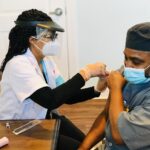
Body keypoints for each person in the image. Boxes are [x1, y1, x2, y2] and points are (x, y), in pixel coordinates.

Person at [0, 9, 108, 150]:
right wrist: (85, 73)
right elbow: (50, 100)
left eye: (54, 36)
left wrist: (96, 89)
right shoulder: (18, 65)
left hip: (43, 120)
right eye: (49, 36)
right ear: (33, 40)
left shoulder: (46, 62)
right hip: (19, 127)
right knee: (80, 148)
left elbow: (66, 96)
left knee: (89, 144)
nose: (54, 41)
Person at [78, 22, 150, 150]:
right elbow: (107, 116)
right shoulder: (126, 73)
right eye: (125, 58)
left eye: (136, 61)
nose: (128, 66)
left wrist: (116, 88)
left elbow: (119, 135)